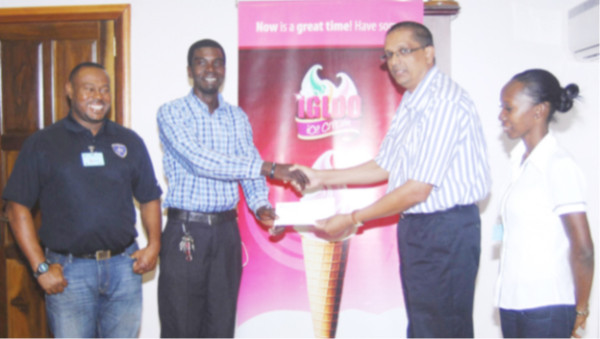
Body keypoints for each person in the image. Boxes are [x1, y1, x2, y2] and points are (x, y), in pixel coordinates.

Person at [292, 21, 491, 337]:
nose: (396, 62)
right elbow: (385, 165)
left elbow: (417, 189)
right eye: (389, 55)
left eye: (404, 51)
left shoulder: (443, 101)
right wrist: (321, 177)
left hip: (446, 231)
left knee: (443, 329)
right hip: (419, 229)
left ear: (429, 53)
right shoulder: (413, 100)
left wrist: (353, 218)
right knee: (424, 326)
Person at [156, 38, 307, 338]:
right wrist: (271, 168)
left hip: (226, 232)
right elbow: (201, 161)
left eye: (217, 62)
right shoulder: (171, 113)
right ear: (190, 70)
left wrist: (260, 205)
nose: (210, 69)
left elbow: (247, 164)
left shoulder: (237, 116)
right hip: (187, 231)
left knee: (221, 324)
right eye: (202, 62)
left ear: (224, 69)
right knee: (181, 325)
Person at [2, 62, 163, 337]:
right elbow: (17, 207)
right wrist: (40, 267)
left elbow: (150, 197)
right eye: (89, 89)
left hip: (124, 269)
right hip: (68, 273)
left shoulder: (129, 141)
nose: (98, 97)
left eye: (104, 90)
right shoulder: (43, 143)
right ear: (69, 91)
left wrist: (154, 246)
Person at [496, 69, 594, 338]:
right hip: (512, 303)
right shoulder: (520, 164)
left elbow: (583, 249)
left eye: (509, 108)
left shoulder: (559, 166)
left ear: (539, 111)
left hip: (546, 306)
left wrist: (581, 309)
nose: (501, 115)